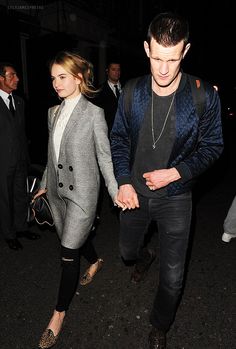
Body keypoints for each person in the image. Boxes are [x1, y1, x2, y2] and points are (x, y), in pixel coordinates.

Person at [110, 12, 223, 349]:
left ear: (184, 52)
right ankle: (144, 257)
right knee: (127, 251)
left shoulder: (203, 96)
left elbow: (213, 146)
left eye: (172, 59)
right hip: (135, 196)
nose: (162, 68)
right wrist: (124, 180)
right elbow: (118, 139)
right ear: (146, 48)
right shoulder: (131, 92)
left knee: (173, 279)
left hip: (176, 199)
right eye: (157, 57)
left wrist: (177, 172)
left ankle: (160, 325)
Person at [34, 51, 123, 349]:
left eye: (62, 77)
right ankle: (96, 260)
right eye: (53, 78)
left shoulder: (93, 113)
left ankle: (57, 315)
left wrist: (114, 192)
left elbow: (104, 158)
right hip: (59, 195)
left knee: (67, 252)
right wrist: (43, 185)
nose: (56, 84)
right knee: (76, 240)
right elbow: (51, 156)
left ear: (79, 77)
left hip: (83, 195)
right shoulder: (52, 112)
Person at [0, 62, 40, 251]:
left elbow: (22, 133)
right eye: (12, 75)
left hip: (20, 160)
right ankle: (9, 234)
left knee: (20, 195)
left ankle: (21, 227)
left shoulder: (19, 102)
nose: (17, 79)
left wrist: (26, 157)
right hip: (3, 163)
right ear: (1, 78)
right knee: (5, 199)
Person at [93, 61, 122, 133]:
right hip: (108, 132)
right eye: (113, 69)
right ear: (107, 71)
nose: (117, 72)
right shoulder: (99, 91)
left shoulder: (127, 87)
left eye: (118, 69)